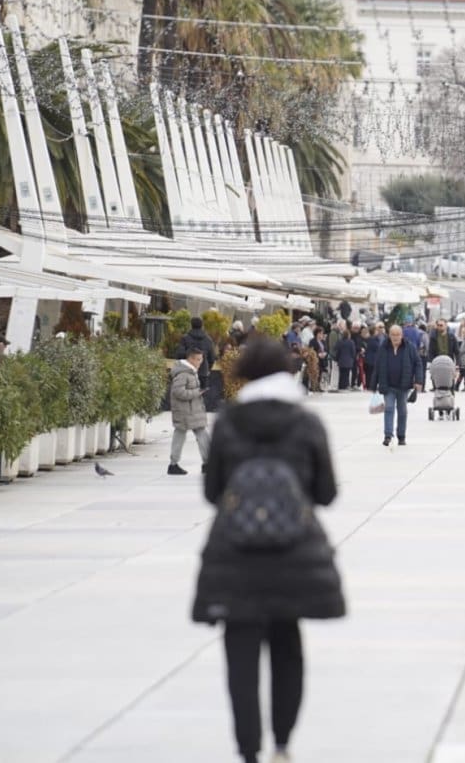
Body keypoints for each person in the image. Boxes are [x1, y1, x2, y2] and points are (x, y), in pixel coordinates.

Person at [190, 335, 345, 763]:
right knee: (287, 649)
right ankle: (282, 744)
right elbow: (327, 493)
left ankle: (248, 750)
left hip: (236, 558)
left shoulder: (230, 423)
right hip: (292, 556)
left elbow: (212, 492)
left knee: (240, 658)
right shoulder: (306, 423)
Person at [169, 347, 212, 476]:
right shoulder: (183, 374)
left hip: (191, 411)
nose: (200, 362)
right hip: (185, 412)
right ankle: (174, 465)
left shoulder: (191, 372)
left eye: (201, 359)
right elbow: (178, 392)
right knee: (185, 436)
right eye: (198, 359)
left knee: (198, 435)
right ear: (191, 359)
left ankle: (206, 464)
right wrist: (197, 392)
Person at [376, 324, 420, 447]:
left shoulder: (409, 347)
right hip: (388, 385)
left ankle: (401, 436)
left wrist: (418, 381)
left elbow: (418, 363)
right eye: (393, 335)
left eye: (398, 334)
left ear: (402, 335)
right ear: (389, 335)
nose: (395, 337)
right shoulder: (384, 347)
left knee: (402, 411)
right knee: (389, 408)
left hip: (403, 386)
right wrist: (373, 383)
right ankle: (388, 435)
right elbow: (378, 365)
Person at [179, 317, 218, 388]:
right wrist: (208, 369)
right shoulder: (208, 340)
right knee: (201, 393)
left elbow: (180, 354)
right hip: (203, 372)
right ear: (202, 325)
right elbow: (212, 358)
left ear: (191, 325)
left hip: (187, 371)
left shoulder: (185, 338)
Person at [333, 325, 357, 392]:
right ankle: (345, 386)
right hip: (349, 360)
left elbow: (335, 348)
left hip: (341, 360)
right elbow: (353, 352)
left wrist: (337, 357)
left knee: (341, 373)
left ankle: (340, 386)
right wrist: (353, 358)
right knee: (347, 374)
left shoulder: (340, 341)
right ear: (348, 335)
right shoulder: (351, 342)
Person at [363, 322, 386, 391]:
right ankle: (370, 386)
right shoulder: (372, 339)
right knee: (370, 373)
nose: (380, 330)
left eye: (382, 327)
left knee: (372, 373)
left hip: (375, 359)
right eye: (379, 328)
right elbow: (377, 347)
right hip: (372, 359)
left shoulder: (384, 337)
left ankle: (372, 385)